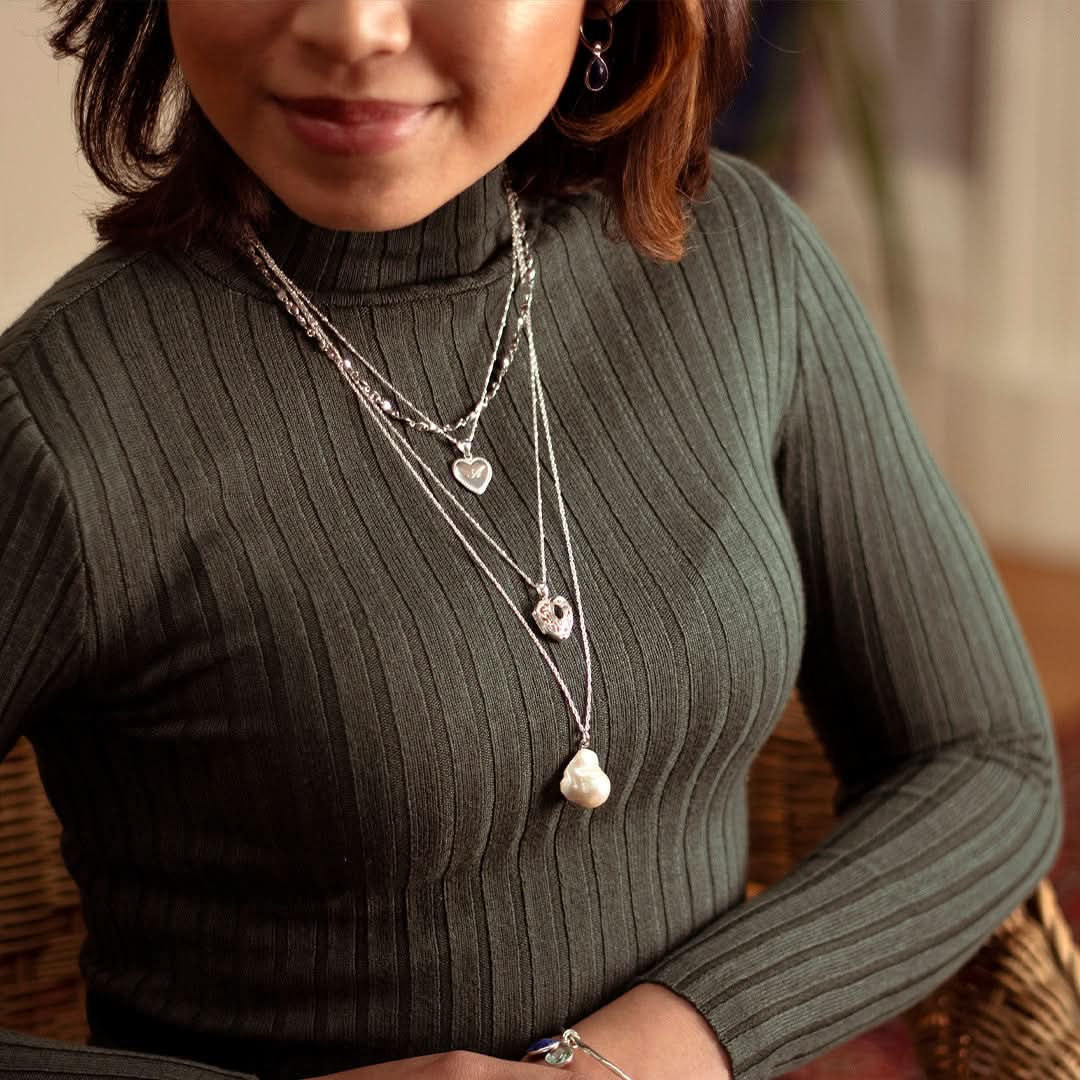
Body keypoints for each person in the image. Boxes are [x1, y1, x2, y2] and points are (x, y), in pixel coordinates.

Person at [0, 1, 1064, 1079]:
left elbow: (985, 759)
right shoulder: (58, 424)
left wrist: (651, 1051)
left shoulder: (737, 259)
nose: (355, 27)